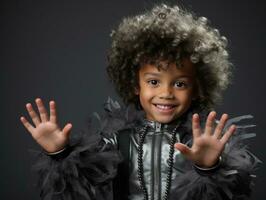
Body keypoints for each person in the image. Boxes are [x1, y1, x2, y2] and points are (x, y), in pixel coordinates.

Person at [20, 4, 260, 200]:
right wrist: (60, 153)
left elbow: (236, 189)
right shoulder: (117, 141)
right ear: (135, 85)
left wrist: (210, 167)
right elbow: (78, 189)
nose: (166, 93)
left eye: (179, 84)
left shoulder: (200, 143)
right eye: (154, 82)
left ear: (197, 89)